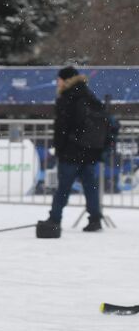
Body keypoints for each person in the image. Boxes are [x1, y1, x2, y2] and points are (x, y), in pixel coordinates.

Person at [43, 66, 107, 233]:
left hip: (71, 150)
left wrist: (60, 148)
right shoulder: (89, 95)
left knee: (63, 187)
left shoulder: (68, 97)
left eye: (59, 79)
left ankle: (54, 218)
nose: (57, 82)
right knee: (90, 186)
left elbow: (63, 126)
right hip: (90, 149)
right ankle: (95, 219)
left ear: (66, 80)